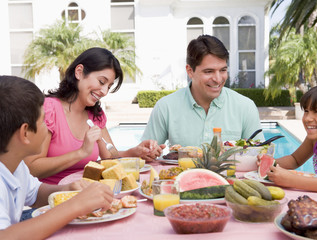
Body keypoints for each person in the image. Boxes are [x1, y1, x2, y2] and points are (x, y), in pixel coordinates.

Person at [24, 47, 164, 185]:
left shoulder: (95, 115)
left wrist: (135, 151)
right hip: (53, 198)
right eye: (102, 82)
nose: (104, 91)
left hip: (86, 194)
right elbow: (32, 168)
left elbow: (109, 157)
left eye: (109, 86)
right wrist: (81, 153)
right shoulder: (49, 110)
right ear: (79, 72)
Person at [0, 75, 113, 239]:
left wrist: (67, 190)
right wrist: (76, 205)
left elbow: (36, 193)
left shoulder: (15, 165)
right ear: (25, 133)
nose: (48, 126)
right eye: (43, 121)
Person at [141, 35, 264, 147]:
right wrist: (149, 151)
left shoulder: (245, 107)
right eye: (208, 71)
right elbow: (145, 155)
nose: (218, 79)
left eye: (223, 70)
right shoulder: (165, 107)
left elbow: (260, 155)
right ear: (190, 71)